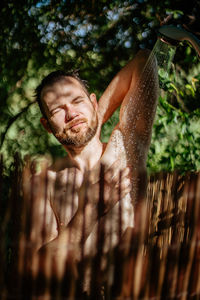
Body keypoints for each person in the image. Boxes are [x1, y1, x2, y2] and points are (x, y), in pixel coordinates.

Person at [27, 49, 159, 296]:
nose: (72, 114)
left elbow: (143, 63)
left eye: (78, 101)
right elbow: (41, 269)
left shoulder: (124, 152)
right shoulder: (44, 184)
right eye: (57, 110)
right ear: (46, 125)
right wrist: (89, 212)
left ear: (94, 103)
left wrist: (94, 121)